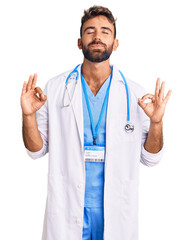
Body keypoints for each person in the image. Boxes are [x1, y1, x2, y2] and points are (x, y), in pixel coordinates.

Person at [20, 5, 172, 240]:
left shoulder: (135, 94)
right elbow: (35, 150)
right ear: (79, 42)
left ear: (116, 43)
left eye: (105, 31)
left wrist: (157, 122)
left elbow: (151, 158)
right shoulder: (56, 89)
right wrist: (28, 115)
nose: (97, 37)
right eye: (89, 31)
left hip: (116, 211)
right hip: (67, 208)